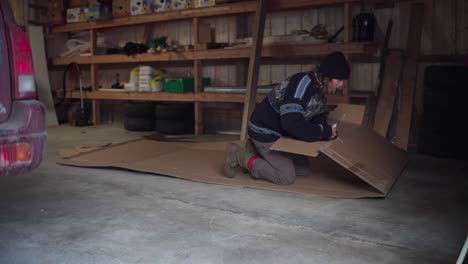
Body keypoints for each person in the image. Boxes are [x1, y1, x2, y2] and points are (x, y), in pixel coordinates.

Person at [223, 51, 350, 185]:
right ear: (327, 76)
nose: (342, 85)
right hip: (265, 130)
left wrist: (326, 130)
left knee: (303, 169)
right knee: (285, 176)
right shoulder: (302, 84)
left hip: (281, 131)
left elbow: (317, 114)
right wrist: (323, 132)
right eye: (339, 80)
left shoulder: (321, 88)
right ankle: (239, 156)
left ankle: (256, 151)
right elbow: (291, 123)